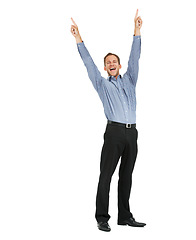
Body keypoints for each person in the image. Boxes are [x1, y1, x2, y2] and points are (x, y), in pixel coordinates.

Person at [70, 9, 146, 232]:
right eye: (108, 62)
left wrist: (137, 31)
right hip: (113, 133)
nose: (111, 64)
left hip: (132, 133)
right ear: (105, 68)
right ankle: (102, 218)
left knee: (127, 175)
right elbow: (88, 64)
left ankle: (125, 216)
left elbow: (135, 57)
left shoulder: (130, 80)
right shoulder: (102, 84)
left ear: (119, 65)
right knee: (106, 175)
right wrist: (78, 38)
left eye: (114, 61)